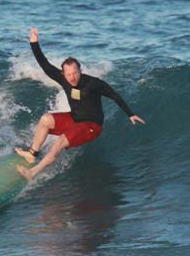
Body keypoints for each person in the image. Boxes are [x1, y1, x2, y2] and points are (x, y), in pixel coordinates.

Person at [15, 27, 145, 180]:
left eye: (75, 73)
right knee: (45, 119)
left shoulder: (93, 83)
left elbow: (114, 95)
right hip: (75, 119)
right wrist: (34, 43)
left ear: (80, 70)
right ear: (64, 74)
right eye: (69, 74)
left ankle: (32, 173)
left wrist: (130, 114)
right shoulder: (64, 79)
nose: (72, 77)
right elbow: (45, 65)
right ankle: (32, 154)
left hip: (92, 126)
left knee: (60, 142)